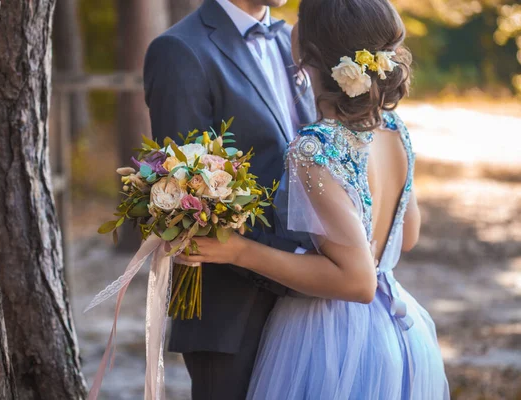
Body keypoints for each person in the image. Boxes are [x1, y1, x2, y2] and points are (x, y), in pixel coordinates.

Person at [177, 0, 450, 398]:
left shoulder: (314, 147)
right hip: (397, 332)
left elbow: (357, 281)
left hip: (330, 340)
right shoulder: (394, 128)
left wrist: (237, 251)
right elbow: (405, 237)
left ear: (307, 49)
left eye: (302, 19)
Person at [143, 0, 316, 398]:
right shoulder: (180, 51)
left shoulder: (294, 38)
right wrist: (293, 268)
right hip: (231, 308)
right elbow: (189, 197)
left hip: (311, 299)